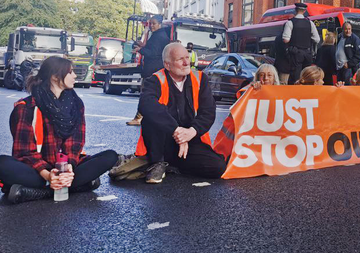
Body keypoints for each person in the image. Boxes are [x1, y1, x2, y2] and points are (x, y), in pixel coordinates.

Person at [0, 56, 118, 204]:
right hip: (37, 170)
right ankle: (75, 186)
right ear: (55, 77)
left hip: (64, 166)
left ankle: (34, 192)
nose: (75, 75)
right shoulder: (26, 107)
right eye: (70, 72)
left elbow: (75, 143)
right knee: (2, 163)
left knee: (110, 156)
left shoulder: (76, 104)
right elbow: (24, 152)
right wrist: (48, 175)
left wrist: (69, 167)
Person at [136, 43, 226, 183]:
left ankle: (173, 165)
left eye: (187, 57)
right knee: (151, 116)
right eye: (180, 59)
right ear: (167, 65)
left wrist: (191, 132)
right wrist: (175, 129)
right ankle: (157, 163)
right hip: (162, 141)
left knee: (217, 167)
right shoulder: (155, 80)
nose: (186, 63)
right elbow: (145, 105)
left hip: (189, 137)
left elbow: (208, 112)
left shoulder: (200, 79)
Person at [212, 64, 280, 163]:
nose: (265, 78)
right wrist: (252, 90)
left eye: (269, 75)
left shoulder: (281, 93)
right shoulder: (251, 89)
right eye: (262, 75)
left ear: (274, 78)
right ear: (257, 77)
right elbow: (242, 97)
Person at [128, 15, 170, 126]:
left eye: (154, 23)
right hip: (156, 70)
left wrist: (140, 50)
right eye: (150, 23)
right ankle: (146, 117)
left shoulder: (159, 36)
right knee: (152, 95)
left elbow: (153, 53)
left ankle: (139, 118)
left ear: (160, 24)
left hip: (152, 70)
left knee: (145, 94)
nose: (151, 26)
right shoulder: (160, 35)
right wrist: (143, 46)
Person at [282, 2, 320, 83]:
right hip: (307, 53)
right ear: (304, 11)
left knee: (295, 77)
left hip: (296, 53)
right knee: (307, 76)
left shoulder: (290, 22)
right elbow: (317, 39)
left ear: (295, 10)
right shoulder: (310, 23)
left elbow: (286, 39)